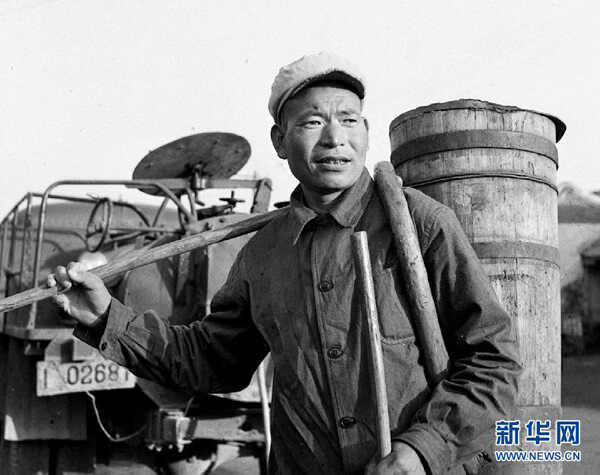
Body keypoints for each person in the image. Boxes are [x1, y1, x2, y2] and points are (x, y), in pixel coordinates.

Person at [48, 52, 521, 475]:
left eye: (349, 120)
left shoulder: (419, 224)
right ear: (279, 140)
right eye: (312, 122)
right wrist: (105, 317)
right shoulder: (263, 253)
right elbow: (211, 359)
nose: (335, 139)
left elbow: (493, 360)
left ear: (366, 131)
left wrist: (422, 450)